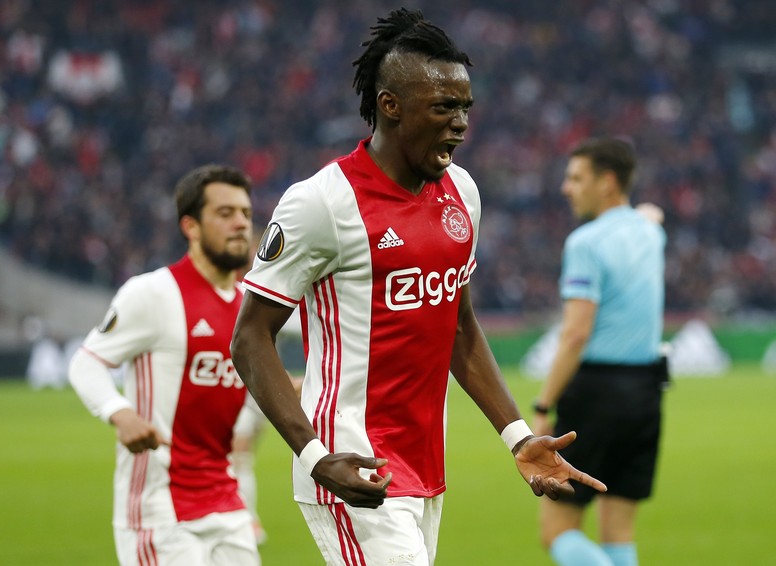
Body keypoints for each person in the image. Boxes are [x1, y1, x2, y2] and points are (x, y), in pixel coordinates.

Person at [230, 8, 606, 566]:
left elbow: (459, 326)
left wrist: (519, 437)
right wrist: (314, 455)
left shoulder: (461, 191)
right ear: (391, 106)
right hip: (353, 464)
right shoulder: (323, 203)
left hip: (426, 467)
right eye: (444, 107)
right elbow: (250, 337)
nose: (460, 123)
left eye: (465, 108)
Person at [68, 164, 262, 566]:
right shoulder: (152, 293)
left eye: (245, 213)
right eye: (225, 214)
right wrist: (120, 414)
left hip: (226, 500)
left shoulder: (251, 306)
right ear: (190, 226)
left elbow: (254, 385)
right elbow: (87, 362)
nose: (241, 224)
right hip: (161, 508)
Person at [532, 137, 667, 566]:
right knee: (618, 530)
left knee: (556, 531)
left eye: (576, 178)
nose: (566, 188)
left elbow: (575, 334)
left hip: (597, 393)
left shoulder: (585, 243)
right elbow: (650, 215)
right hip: (648, 389)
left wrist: (543, 402)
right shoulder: (650, 233)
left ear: (607, 182)